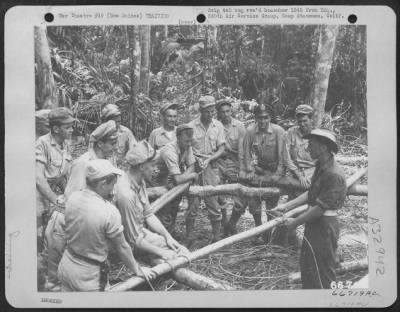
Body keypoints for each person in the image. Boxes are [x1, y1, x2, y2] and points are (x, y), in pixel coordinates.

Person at [58, 159, 156, 291]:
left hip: (67, 265)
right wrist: (136, 269)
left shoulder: (73, 198)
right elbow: (122, 247)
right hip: (88, 275)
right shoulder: (109, 211)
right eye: (112, 185)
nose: (114, 189)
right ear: (103, 184)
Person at [273, 129, 347, 289]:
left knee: (323, 272)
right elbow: (311, 193)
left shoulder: (333, 174)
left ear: (323, 147)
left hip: (324, 226)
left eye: (311, 145)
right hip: (315, 223)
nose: (307, 149)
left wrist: (294, 223)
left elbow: (320, 209)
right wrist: (286, 206)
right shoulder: (321, 166)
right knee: (308, 267)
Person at [115, 141, 188, 263]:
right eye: (153, 165)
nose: (156, 169)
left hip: (139, 234)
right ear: (142, 166)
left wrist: (167, 237)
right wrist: (162, 252)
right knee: (175, 258)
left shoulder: (139, 181)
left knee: (182, 251)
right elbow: (133, 239)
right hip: (124, 242)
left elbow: (148, 214)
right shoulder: (126, 194)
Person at [36, 107, 74, 290]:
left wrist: (70, 198)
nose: (72, 130)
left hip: (54, 196)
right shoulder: (42, 144)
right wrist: (55, 201)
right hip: (38, 198)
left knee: (53, 241)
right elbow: (38, 178)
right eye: (68, 127)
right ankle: (41, 287)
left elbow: (63, 177)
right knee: (41, 243)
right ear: (56, 128)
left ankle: (51, 280)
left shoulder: (65, 144)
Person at [240, 103, 286, 244]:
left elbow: (283, 156)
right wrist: (248, 170)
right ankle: (258, 229)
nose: (263, 121)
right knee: (254, 201)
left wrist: (277, 175)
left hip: (273, 170)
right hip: (259, 169)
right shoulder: (250, 131)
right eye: (260, 118)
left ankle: (268, 233)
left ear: (270, 117)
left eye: (266, 117)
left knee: (272, 204)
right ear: (255, 118)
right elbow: (245, 153)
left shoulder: (278, 131)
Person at [187, 95, 226, 244]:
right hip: (195, 168)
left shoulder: (218, 126)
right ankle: (190, 235)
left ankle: (216, 236)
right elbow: (187, 147)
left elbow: (221, 147)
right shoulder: (191, 126)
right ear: (201, 111)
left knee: (213, 202)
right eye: (207, 112)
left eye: (212, 111)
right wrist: (195, 160)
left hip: (211, 167)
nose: (210, 115)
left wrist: (210, 158)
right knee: (193, 204)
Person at [155, 124, 199, 236]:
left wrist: (183, 176)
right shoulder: (169, 150)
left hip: (170, 177)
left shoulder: (187, 146)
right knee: (164, 211)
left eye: (190, 141)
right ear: (178, 138)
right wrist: (192, 175)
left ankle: (170, 233)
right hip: (155, 179)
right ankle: (163, 239)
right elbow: (179, 179)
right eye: (186, 141)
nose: (189, 144)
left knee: (174, 207)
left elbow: (191, 165)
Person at [214, 99, 247, 236]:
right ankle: (224, 223)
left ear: (231, 111)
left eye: (228, 111)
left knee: (241, 195)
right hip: (219, 162)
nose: (225, 114)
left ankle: (232, 222)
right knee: (217, 193)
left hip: (235, 162)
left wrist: (242, 166)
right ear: (219, 113)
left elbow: (242, 149)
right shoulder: (215, 126)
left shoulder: (239, 126)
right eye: (222, 112)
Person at [64, 120, 119, 199]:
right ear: (100, 144)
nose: (116, 148)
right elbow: (72, 196)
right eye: (112, 144)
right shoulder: (83, 163)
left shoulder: (109, 160)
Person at [282, 104, 316, 192]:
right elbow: (286, 157)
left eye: (305, 121)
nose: (302, 124)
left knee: (308, 189)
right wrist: (299, 175)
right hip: (294, 171)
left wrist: (308, 175)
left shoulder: (317, 135)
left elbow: (322, 160)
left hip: (312, 170)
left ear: (311, 120)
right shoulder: (291, 132)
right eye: (299, 121)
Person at [101, 104, 136, 169]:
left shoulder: (125, 132)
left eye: (119, 121)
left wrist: (126, 161)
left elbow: (135, 150)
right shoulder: (99, 135)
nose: (117, 125)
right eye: (114, 122)